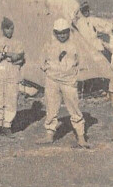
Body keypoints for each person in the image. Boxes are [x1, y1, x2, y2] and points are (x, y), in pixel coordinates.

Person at [38, 18, 88, 147]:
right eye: (59, 33)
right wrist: (49, 70)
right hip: (52, 80)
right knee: (51, 107)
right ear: (55, 33)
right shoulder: (49, 44)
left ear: (68, 32)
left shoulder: (74, 45)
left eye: (64, 32)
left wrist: (74, 74)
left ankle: (81, 137)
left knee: (74, 108)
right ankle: (49, 135)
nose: (62, 35)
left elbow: (82, 63)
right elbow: (41, 61)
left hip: (68, 81)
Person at [0, 17, 25, 136]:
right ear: (2, 29)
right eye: (7, 29)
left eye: (11, 29)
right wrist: (5, 54)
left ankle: (7, 124)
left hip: (12, 72)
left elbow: (19, 57)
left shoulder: (18, 43)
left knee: (11, 98)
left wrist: (5, 54)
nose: (9, 31)